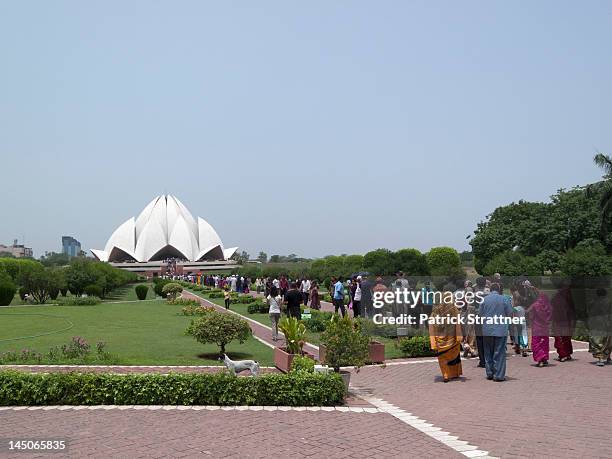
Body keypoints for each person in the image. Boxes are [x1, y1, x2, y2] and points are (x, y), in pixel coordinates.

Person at [479, 283, 512, 381]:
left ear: (490, 289)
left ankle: (490, 373)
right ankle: (498, 375)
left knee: (488, 352)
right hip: (500, 329)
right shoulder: (505, 299)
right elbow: (510, 313)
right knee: (499, 352)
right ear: (499, 290)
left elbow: (480, 314)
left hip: (487, 329)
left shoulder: (484, 300)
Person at [429, 300, 463, 383]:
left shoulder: (435, 311)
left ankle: (446, 374)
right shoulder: (453, 309)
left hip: (440, 341)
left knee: (442, 358)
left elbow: (431, 326)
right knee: (454, 356)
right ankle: (454, 373)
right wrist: (459, 336)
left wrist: (433, 342)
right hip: (452, 339)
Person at [525, 283, 552, 367]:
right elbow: (550, 315)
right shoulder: (548, 306)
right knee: (544, 343)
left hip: (537, 327)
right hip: (545, 327)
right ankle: (544, 358)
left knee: (536, 343)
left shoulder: (535, 305)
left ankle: (540, 359)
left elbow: (528, 313)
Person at [551, 278, 576, 362]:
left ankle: (562, 355)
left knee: (559, 338)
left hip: (558, 321)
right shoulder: (568, 295)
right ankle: (568, 354)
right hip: (567, 320)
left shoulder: (556, 297)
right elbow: (572, 308)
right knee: (566, 338)